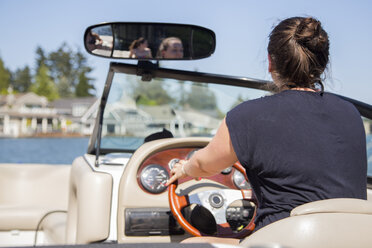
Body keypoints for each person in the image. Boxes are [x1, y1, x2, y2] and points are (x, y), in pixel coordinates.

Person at [166, 16, 367, 243]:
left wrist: (184, 170)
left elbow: (203, 164)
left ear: (271, 62)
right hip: (354, 240)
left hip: (285, 241)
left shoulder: (248, 117)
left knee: (194, 244)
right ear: (322, 63)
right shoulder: (350, 113)